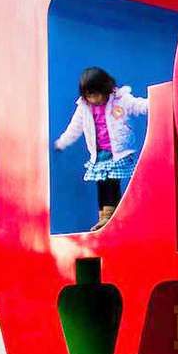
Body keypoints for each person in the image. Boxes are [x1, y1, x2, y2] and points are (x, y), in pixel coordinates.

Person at [54, 67, 148, 231]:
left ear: (106, 89)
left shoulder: (120, 100)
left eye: (96, 94)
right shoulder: (84, 107)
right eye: (89, 95)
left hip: (117, 152)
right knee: (101, 183)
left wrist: (154, 103)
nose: (93, 99)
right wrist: (62, 142)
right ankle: (103, 217)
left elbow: (138, 105)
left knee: (112, 182)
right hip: (99, 155)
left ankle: (113, 214)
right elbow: (75, 127)